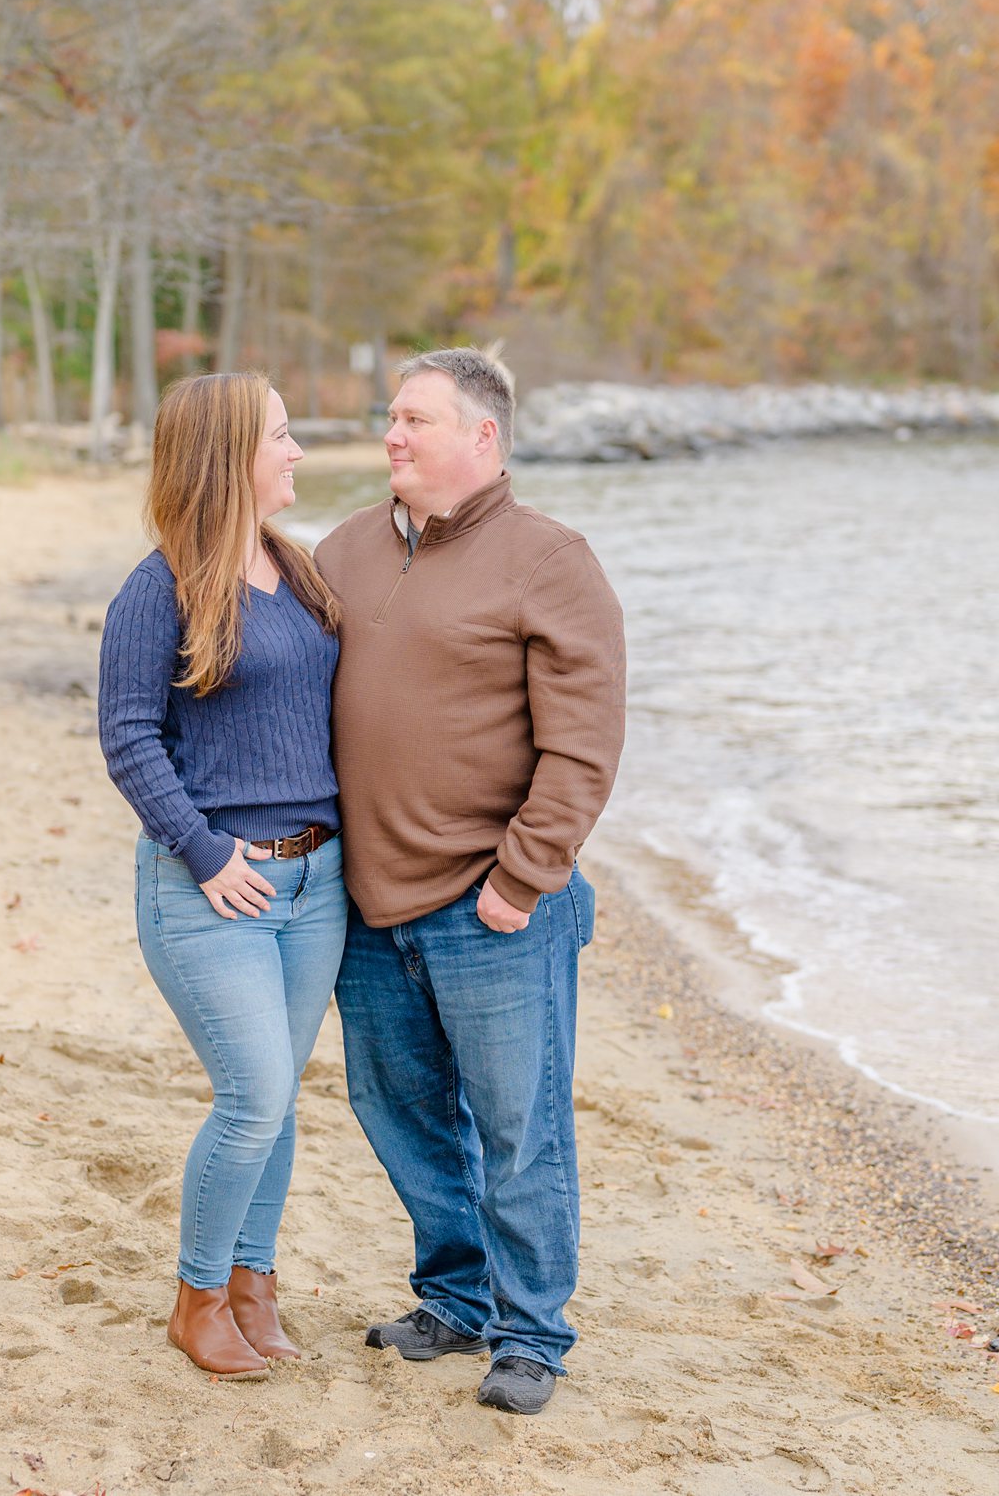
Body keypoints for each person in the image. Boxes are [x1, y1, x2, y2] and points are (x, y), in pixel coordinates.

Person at [314, 346, 626, 1415]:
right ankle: (453, 1298)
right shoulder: (346, 548)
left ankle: (530, 1331)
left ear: (482, 437)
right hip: (367, 904)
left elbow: (584, 745)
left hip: (494, 907)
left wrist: (523, 875)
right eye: (390, 418)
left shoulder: (550, 559)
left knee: (516, 1127)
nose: (391, 436)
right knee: (400, 1113)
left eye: (416, 421)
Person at [97, 372, 346, 1379]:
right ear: (230, 455)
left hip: (315, 886)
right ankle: (198, 1296)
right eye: (281, 436)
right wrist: (202, 850)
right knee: (251, 1093)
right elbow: (127, 737)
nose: (296, 452)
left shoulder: (300, 568)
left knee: (278, 1095)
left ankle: (255, 1287)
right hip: (213, 889)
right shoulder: (157, 588)